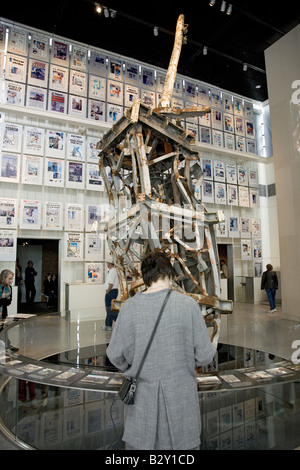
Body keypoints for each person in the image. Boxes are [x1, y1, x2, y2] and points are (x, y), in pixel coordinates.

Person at [106, 251, 216, 450]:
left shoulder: (129, 307)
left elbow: (114, 354)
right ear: (170, 275)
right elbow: (205, 355)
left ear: (145, 277)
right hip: (181, 404)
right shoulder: (189, 305)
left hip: (141, 406)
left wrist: (133, 364)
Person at [102, 258, 120, 331]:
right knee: (110, 309)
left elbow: (111, 284)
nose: (107, 265)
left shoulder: (112, 271)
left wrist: (107, 291)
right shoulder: (115, 271)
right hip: (113, 291)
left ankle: (119, 322)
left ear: (110, 264)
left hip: (111, 292)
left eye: (107, 263)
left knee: (110, 309)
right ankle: (108, 325)